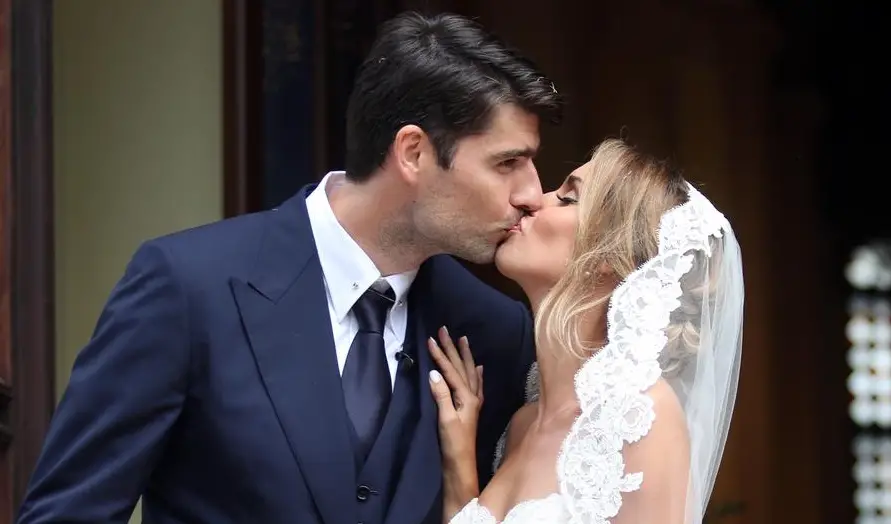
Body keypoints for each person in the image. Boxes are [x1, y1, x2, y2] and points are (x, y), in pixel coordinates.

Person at [17, 11, 561, 524]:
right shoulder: (187, 287)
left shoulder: (494, 330)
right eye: (507, 162)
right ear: (413, 152)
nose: (532, 193)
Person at [427, 139, 744, 523]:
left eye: (567, 199)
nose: (535, 200)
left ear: (613, 256)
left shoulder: (641, 415)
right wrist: (459, 466)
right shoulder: (520, 425)